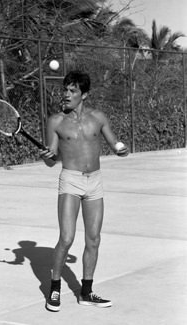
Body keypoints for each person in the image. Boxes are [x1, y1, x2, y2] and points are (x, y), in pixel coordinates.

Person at [40, 70, 128, 312]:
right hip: (70, 179)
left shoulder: (98, 118)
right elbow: (52, 158)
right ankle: (55, 287)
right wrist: (47, 157)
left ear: (84, 94)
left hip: (95, 181)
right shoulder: (56, 121)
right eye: (65, 90)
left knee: (94, 239)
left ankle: (86, 292)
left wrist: (122, 150)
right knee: (66, 238)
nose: (66, 94)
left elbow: (116, 144)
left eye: (72, 91)